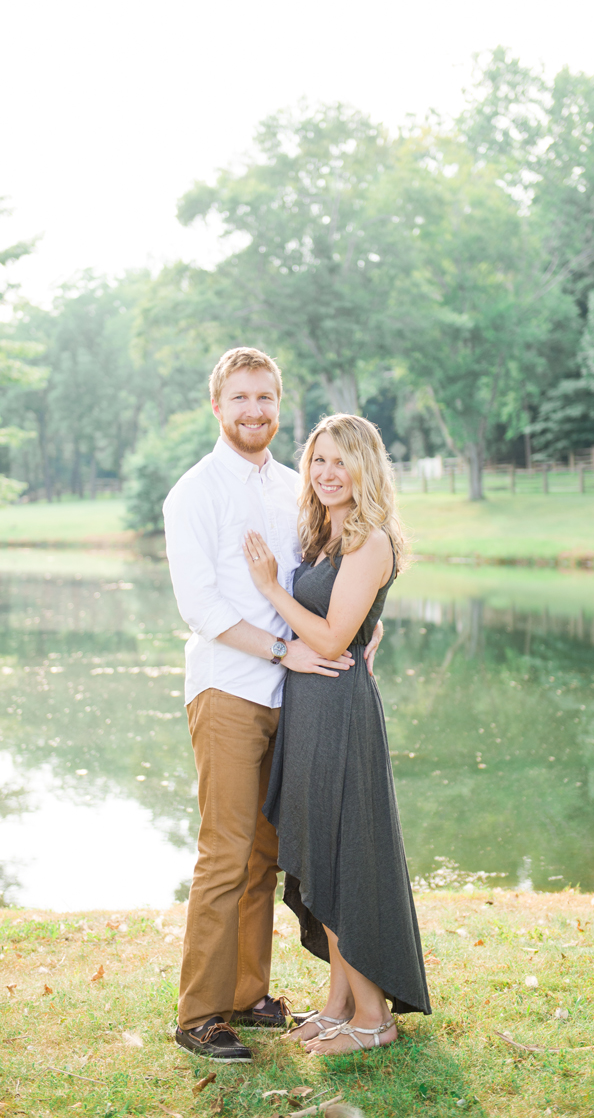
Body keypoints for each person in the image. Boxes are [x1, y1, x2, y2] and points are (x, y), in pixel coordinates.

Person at [163, 348, 382, 1061]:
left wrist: (371, 622)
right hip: (230, 687)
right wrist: (281, 649)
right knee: (225, 852)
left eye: (265, 397)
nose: (254, 410)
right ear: (217, 406)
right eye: (240, 398)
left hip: (295, 696)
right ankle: (200, 1012)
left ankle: (248, 992)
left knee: (265, 854)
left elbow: (338, 570)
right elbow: (200, 606)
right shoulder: (192, 493)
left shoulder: (297, 487)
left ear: (279, 405)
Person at [242, 413, 431, 1057]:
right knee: (318, 852)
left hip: (340, 713)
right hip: (309, 706)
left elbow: (328, 638)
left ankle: (374, 1019)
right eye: (317, 460)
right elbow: (346, 618)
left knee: (342, 858)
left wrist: (270, 588)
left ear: (365, 468)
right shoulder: (326, 532)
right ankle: (338, 1003)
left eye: (339, 461)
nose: (325, 473)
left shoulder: (369, 538)